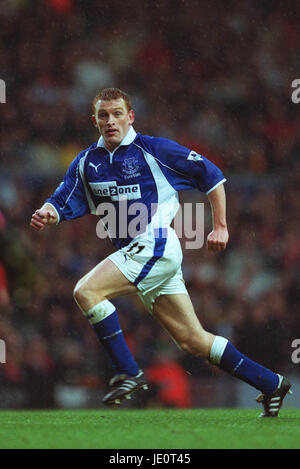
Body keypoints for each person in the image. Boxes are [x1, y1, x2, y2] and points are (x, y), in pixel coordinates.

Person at [30, 88, 291, 417]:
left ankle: (128, 372)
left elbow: (212, 176)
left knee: (86, 291)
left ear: (130, 116)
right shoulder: (86, 162)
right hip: (139, 254)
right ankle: (271, 383)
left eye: (117, 114)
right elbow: (63, 198)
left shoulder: (155, 150)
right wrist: (47, 212)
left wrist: (221, 226)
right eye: (103, 115)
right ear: (93, 120)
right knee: (193, 340)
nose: (111, 121)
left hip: (156, 244)